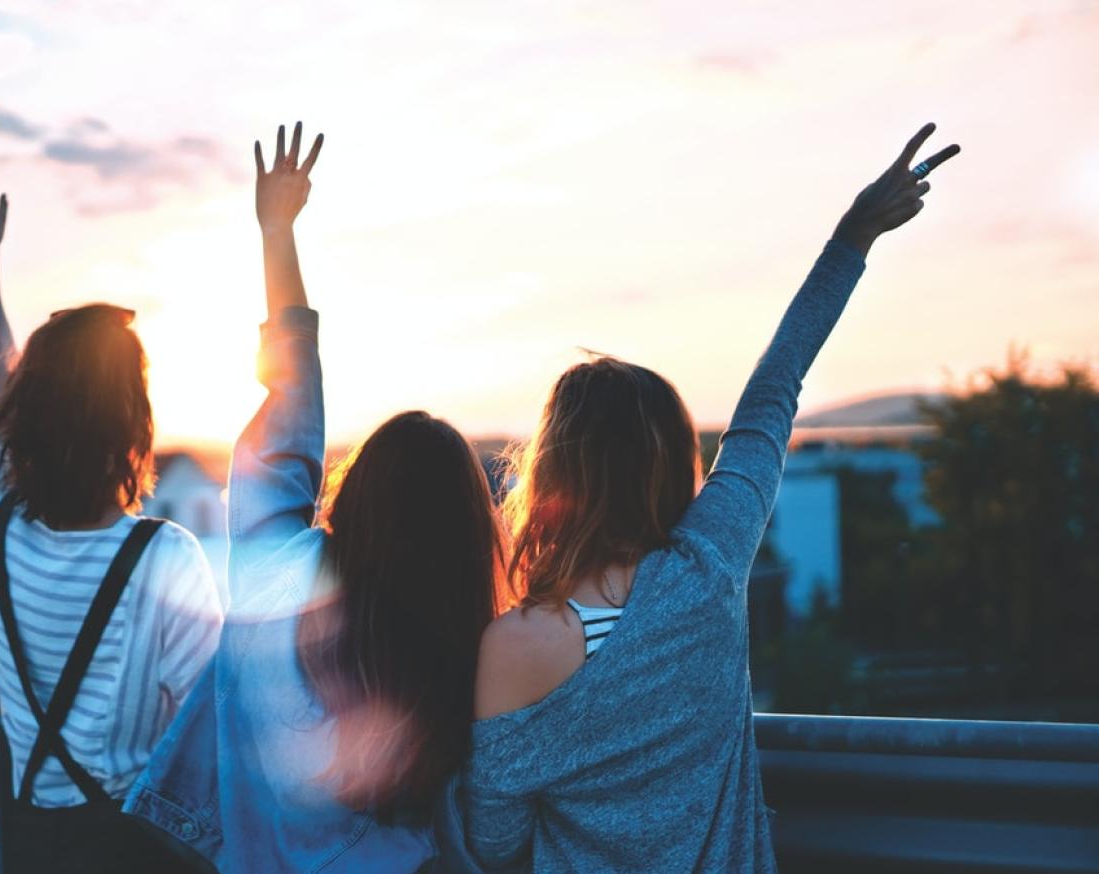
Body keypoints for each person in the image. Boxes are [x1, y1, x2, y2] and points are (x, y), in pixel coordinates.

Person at [463, 124, 961, 872]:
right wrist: (853, 237)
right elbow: (773, 394)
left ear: (553, 472)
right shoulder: (709, 566)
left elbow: (492, 842)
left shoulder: (514, 646)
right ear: (668, 466)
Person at [125, 123, 512, 872]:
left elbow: (291, 410)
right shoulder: (460, 650)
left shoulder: (280, 579)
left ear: (358, 493)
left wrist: (276, 232)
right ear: (466, 534)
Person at [0, 170, 224, 873]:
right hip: (136, 848)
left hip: (28, 842)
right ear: (133, 423)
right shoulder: (166, 558)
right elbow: (210, 731)